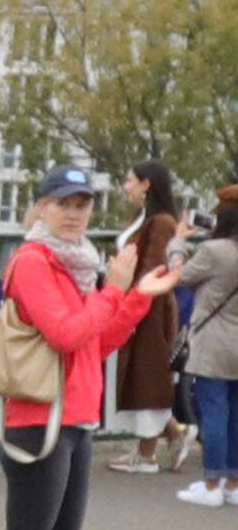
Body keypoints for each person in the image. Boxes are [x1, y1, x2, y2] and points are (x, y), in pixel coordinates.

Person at [0, 161, 171, 530]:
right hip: (38, 418)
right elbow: (67, 334)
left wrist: (136, 296)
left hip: (75, 418)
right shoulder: (33, 262)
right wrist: (114, 289)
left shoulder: (77, 264)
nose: (73, 213)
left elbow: (97, 341)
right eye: (63, 203)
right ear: (41, 207)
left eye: (82, 204)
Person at [106, 163, 188, 473]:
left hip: (150, 310)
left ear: (146, 184)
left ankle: (146, 454)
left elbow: (154, 268)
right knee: (143, 376)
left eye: (130, 180)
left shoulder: (161, 223)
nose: (125, 186)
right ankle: (173, 434)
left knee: (147, 375)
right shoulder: (147, 219)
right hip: (139, 304)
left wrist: (128, 296)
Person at [176, 189, 238, 510]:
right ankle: (234, 483)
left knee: (214, 412)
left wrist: (178, 244)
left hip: (213, 343)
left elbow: (180, 276)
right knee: (236, 414)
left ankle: (212, 482)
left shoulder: (214, 251)